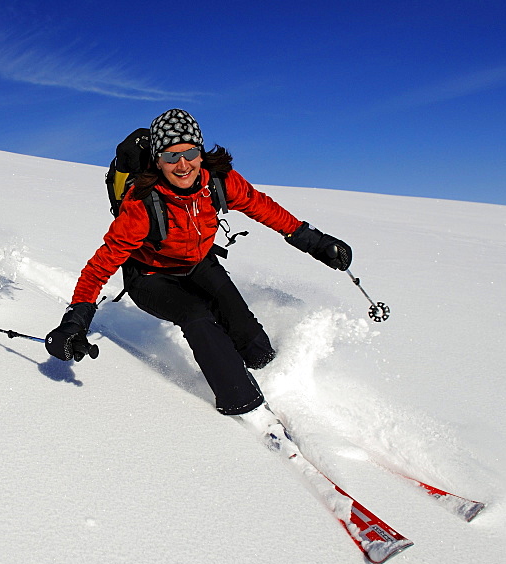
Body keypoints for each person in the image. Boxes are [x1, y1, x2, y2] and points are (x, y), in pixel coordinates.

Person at [45, 109, 351, 417]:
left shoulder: (218, 182)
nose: (182, 165)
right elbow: (102, 264)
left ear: (201, 151)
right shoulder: (141, 204)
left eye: (190, 152)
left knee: (239, 320)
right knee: (197, 316)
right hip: (150, 276)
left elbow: (262, 207)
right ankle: (244, 404)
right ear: (157, 160)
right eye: (170, 156)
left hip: (199, 262)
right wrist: (75, 321)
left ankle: (270, 373)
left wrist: (316, 242)